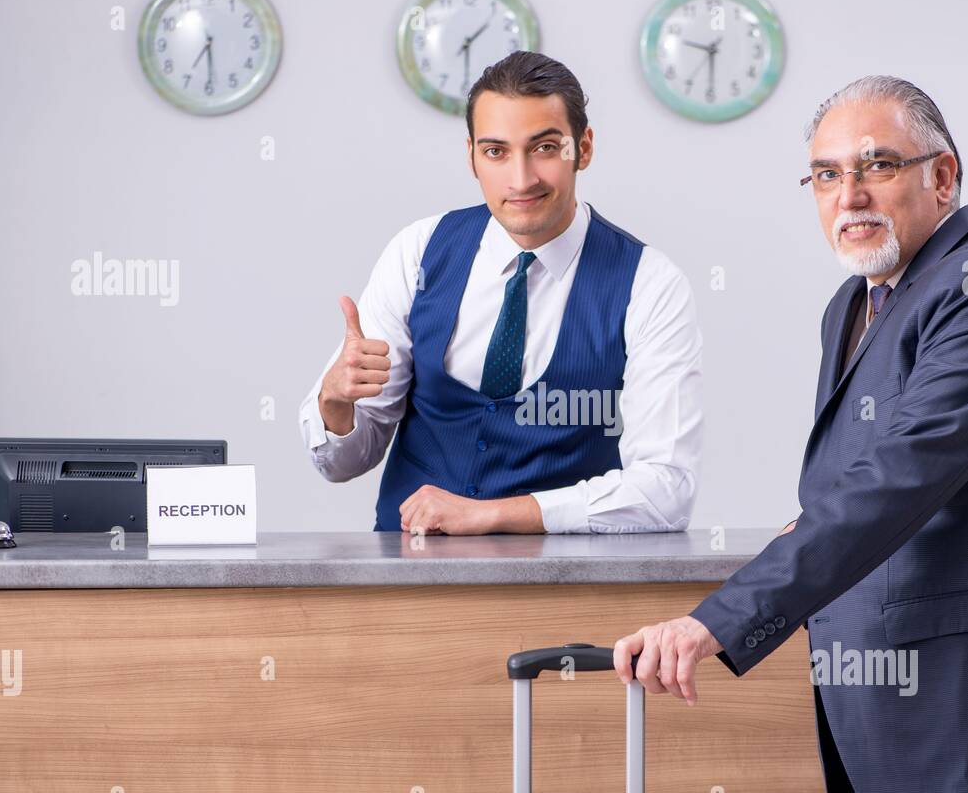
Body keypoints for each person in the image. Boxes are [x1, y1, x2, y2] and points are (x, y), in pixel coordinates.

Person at [614, 75, 968, 793]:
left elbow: (892, 485)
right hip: (884, 747)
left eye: (877, 167)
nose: (850, 194)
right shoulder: (860, 300)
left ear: (943, 176)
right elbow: (842, 488)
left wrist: (718, 623)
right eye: (827, 174)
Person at [299, 51, 702, 535]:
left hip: (567, 585)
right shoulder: (418, 252)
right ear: (471, 156)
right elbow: (342, 464)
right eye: (496, 152)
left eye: (545, 148)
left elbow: (667, 492)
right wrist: (334, 403)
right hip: (408, 583)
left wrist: (492, 515)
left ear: (584, 148)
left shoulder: (650, 284)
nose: (522, 179)